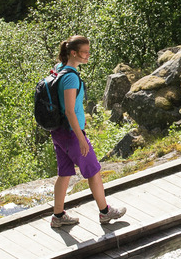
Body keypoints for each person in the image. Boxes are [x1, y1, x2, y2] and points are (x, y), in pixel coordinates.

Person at [49, 35, 127, 231]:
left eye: (88, 51)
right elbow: (69, 110)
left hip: (58, 131)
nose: (88, 55)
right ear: (73, 53)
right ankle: (105, 211)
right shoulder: (70, 77)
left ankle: (58, 216)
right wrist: (81, 137)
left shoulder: (59, 69)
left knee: (64, 173)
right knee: (94, 171)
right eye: (84, 52)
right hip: (71, 133)